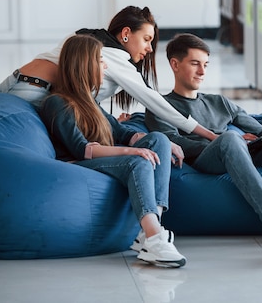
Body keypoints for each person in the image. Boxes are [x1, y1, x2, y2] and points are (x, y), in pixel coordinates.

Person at [144, 33, 262, 247]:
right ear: (175, 64)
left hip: (245, 152)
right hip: (207, 159)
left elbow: (256, 127)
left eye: (206, 65)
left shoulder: (219, 101)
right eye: (195, 64)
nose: (202, 72)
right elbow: (173, 141)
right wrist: (228, 140)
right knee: (230, 138)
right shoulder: (160, 106)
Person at [39, 34, 186, 268]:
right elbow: (82, 149)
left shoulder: (89, 101)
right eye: (99, 60)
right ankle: (155, 237)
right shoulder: (58, 103)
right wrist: (130, 153)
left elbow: (120, 132)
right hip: (77, 166)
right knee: (137, 162)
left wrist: (162, 142)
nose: (105, 65)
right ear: (84, 64)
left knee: (157, 139)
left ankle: (149, 230)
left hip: (99, 161)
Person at [0, 6, 217, 146]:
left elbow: (83, 96)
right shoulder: (115, 57)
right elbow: (156, 102)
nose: (150, 48)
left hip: (16, 81)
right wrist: (208, 134)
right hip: (34, 92)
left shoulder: (87, 38)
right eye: (147, 39)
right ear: (126, 34)